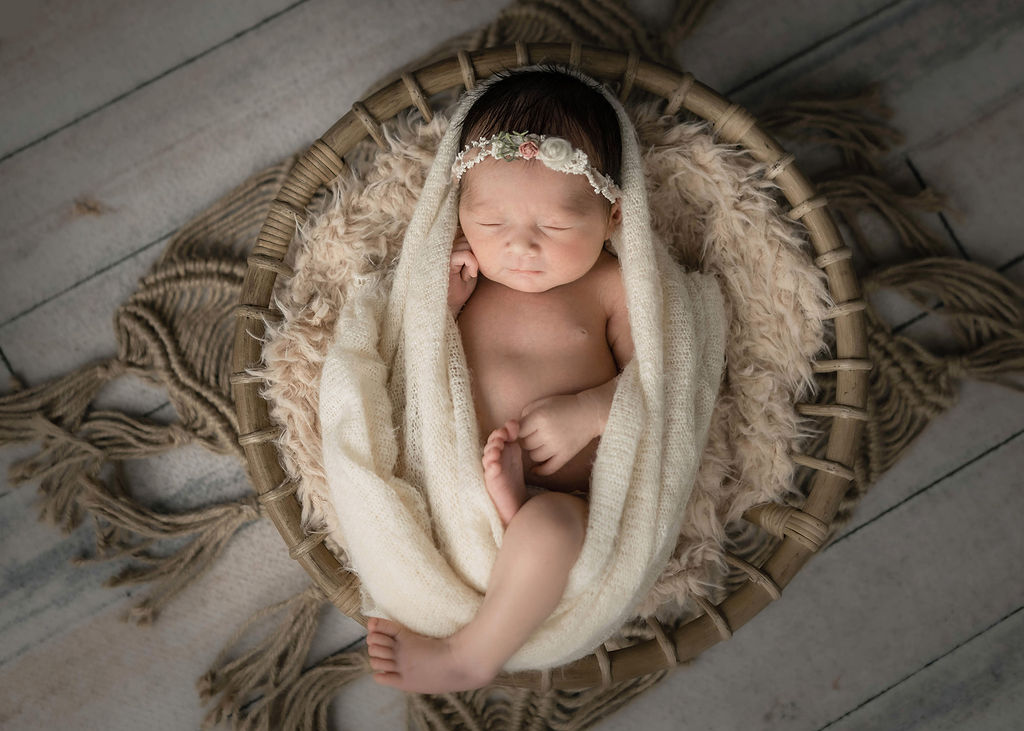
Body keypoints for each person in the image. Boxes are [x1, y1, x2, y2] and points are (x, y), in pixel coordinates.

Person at [365, 68, 635, 694]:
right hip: (463, 484)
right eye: (491, 225)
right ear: (459, 210)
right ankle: (499, 525)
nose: (520, 248)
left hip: (568, 500)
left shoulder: (610, 288)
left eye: (556, 228)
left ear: (612, 215)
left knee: (554, 532)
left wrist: (593, 411)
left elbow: (669, 382)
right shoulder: (467, 281)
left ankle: (471, 655)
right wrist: (443, 308)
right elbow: (409, 367)